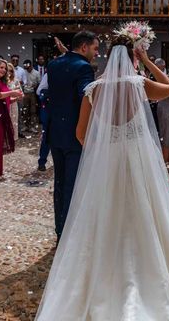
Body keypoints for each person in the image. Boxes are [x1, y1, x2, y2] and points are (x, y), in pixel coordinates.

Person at [36, 32, 169, 321]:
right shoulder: (138, 84)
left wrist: (99, 153)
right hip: (137, 162)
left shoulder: (94, 89)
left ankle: (102, 277)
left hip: (107, 163)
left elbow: (80, 133)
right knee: (143, 215)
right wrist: (148, 61)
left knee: (104, 217)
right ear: (130, 59)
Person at [46, 30, 98, 242]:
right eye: (95, 48)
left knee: (60, 183)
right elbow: (85, 97)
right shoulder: (84, 67)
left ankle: (60, 230)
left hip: (55, 132)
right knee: (73, 186)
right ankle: (69, 237)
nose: (96, 53)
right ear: (84, 47)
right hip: (75, 135)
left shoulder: (54, 64)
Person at [21, 59, 40, 134]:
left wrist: (35, 85)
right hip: (24, 93)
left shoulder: (36, 73)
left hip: (32, 93)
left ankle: (32, 127)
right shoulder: (23, 72)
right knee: (25, 110)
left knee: (33, 111)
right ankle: (25, 126)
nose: (27, 69)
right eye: (26, 68)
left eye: (28, 68)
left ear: (31, 65)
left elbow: (39, 83)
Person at [10, 54, 27, 137]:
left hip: (18, 93)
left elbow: (24, 81)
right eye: (13, 60)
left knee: (19, 113)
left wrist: (16, 82)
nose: (15, 61)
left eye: (16, 60)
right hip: (9, 94)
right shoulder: (7, 69)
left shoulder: (22, 70)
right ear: (11, 60)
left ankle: (18, 131)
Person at [37, 72, 50, 171]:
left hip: (66, 112)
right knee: (46, 137)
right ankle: (42, 161)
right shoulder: (48, 75)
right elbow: (39, 91)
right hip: (49, 110)